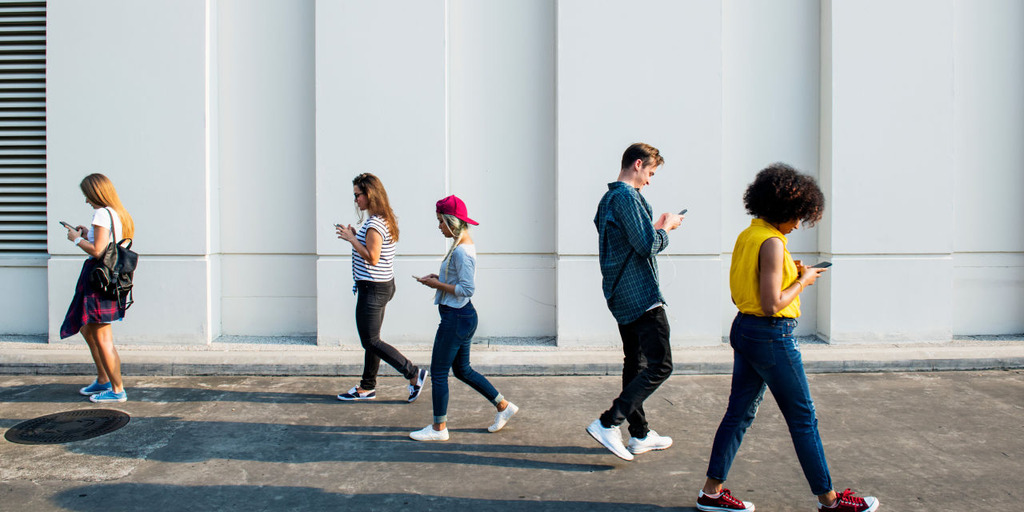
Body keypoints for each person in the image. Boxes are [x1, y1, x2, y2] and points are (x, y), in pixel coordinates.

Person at [695, 163, 878, 512]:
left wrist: (788, 272)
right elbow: (771, 304)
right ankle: (830, 501)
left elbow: (741, 296)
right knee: (803, 418)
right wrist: (803, 281)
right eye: (797, 217)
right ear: (783, 210)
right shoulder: (773, 243)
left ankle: (711, 493)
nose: (798, 224)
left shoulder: (749, 235)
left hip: (744, 330)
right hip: (772, 335)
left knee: (739, 413)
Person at [586, 142, 684, 461]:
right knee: (661, 365)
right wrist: (665, 229)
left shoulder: (609, 199)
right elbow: (645, 246)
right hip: (639, 293)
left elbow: (626, 242)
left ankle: (639, 433)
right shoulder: (626, 196)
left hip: (620, 292)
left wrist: (652, 227)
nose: (650, 181)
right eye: (651, 173)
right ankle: (608, 422)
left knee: (636, 362)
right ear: (638, 164)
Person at [409, 195, 518, 441]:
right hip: (462, 317)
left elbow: (467, 289)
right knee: (462, 370)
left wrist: (437, 284)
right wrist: (437, 279)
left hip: (457, 318)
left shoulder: (462, 252)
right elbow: (458, 281)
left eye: (440, 222)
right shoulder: (460, 246)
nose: (438, 227)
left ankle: (439, 429)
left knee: (438, 373)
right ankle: (503, 406)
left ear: (451, 222)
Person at [335, 173, 427, 402]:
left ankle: (413, 373)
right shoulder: (383, 219)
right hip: (380, 286)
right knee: (372, 339)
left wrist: (351, 239)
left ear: (369, 194)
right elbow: (374, 249)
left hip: (373, 288)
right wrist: (358, 236)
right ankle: (367, 387)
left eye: (358, 195)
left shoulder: (375, 223)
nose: (355, 200)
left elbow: (373, 257)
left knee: (370, 341)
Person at [60, 173, 135, 403]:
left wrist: (75, 238)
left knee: (103, 338)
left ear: (96, 193)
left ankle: (117, 389)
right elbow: (108, 244)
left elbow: (97, 250)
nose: (86, 201)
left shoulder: (102, 213)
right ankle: (103, 379)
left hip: (98, 281)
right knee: (87, 329)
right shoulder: (117, 213)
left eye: (87, 196)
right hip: (105, 280)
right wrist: (87, 233)